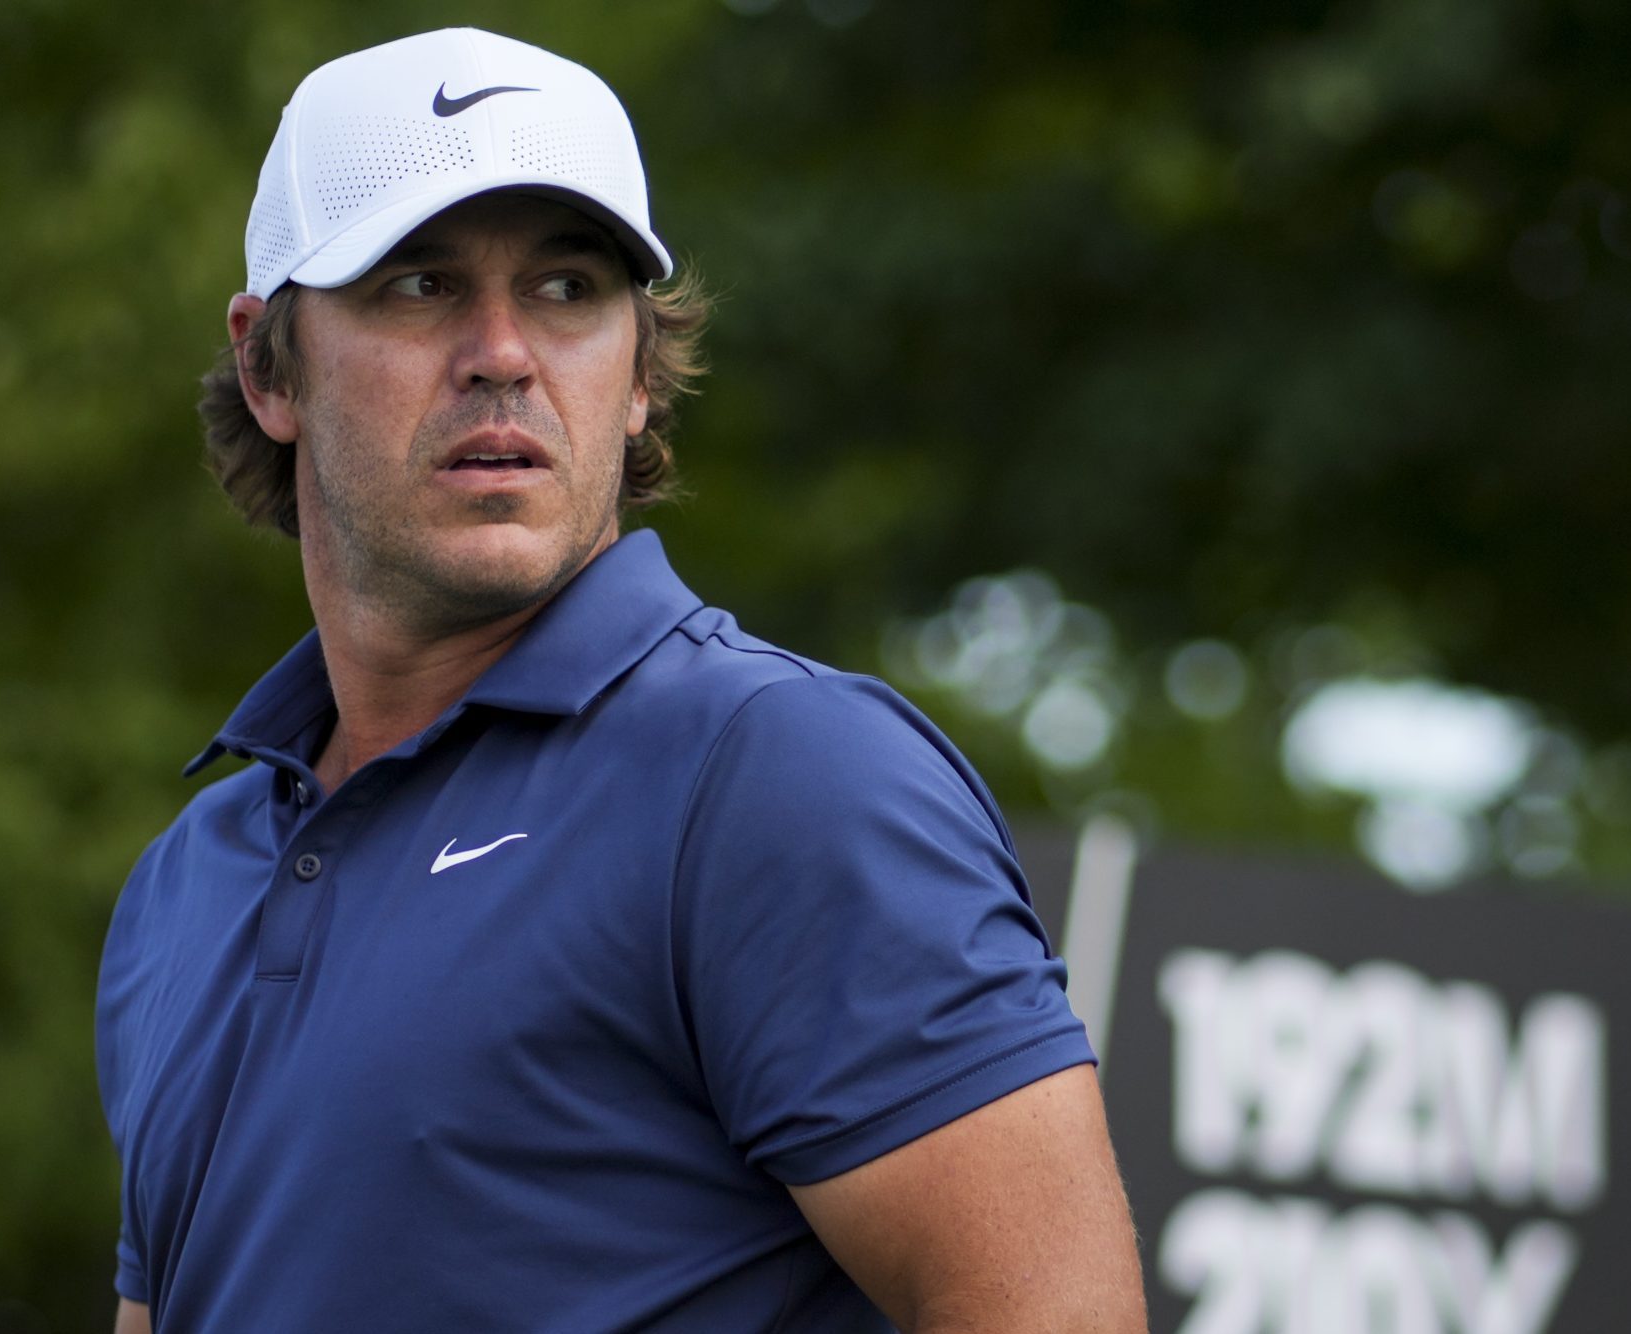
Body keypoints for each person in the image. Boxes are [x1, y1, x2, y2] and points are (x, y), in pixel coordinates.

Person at [94, 27, 1146, 1334]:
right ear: (269, 366)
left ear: (640, 373)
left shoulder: (785, 774)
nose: (502, 351)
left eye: (567, 287)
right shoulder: (187, 878)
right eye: (420, 283)